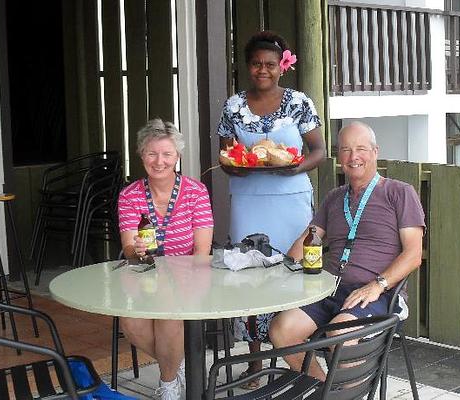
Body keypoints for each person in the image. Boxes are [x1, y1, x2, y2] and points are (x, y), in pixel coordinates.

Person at [269, 121, 425, 380]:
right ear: (339, 156)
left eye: (361, 149)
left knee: (340, 333)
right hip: (329, 288)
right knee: (282, 330)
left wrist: (377, 285)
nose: (354, 157)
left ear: (375, 152)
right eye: (346, 150)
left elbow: (413, 254)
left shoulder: (399, 193)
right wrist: (280, 270)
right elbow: (309, 237)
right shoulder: (334, 197)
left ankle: (345, 395)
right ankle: (322, 389)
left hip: (378, 293)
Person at [216, 30, 326, 388]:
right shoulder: (232, 105)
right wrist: (233, 165)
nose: (262, 70)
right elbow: (226, 154)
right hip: (248, 202)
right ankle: (253, 361)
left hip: (292, 201)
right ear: (247, 66)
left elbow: (319, 151)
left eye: (269, 64)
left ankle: (292, 352)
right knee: (248, 279)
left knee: (292, 275)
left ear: (282, 67)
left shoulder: (299, 102)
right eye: (255, 64)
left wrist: (295, 167)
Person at [117, 118, 214, 400]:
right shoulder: (130, 195)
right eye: (152, 153)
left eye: (167, 154)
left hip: (188, 274)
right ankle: (178, 364)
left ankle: (169, 384)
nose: (159, 161)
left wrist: (187, 284)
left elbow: (202, 249)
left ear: (178, 157)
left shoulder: (196, 191)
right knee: (131, 322)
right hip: (145, 275)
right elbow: (128, 250)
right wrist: (136, 247)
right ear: (141, 155)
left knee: (168, 315)